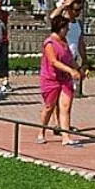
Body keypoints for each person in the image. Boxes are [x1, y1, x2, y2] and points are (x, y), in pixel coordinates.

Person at [39, 14, 83, 143]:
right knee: (49, 107)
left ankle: (66, 136)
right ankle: (41, 131)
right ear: (60, 28)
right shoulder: (50, 43)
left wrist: (78, 69)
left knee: (65, 106)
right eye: (66, 28)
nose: (68, 30)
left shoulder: (64, 42)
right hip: (51, 79)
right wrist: (70, 70)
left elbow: (69, 59)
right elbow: (53, 62)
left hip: (65, 79)